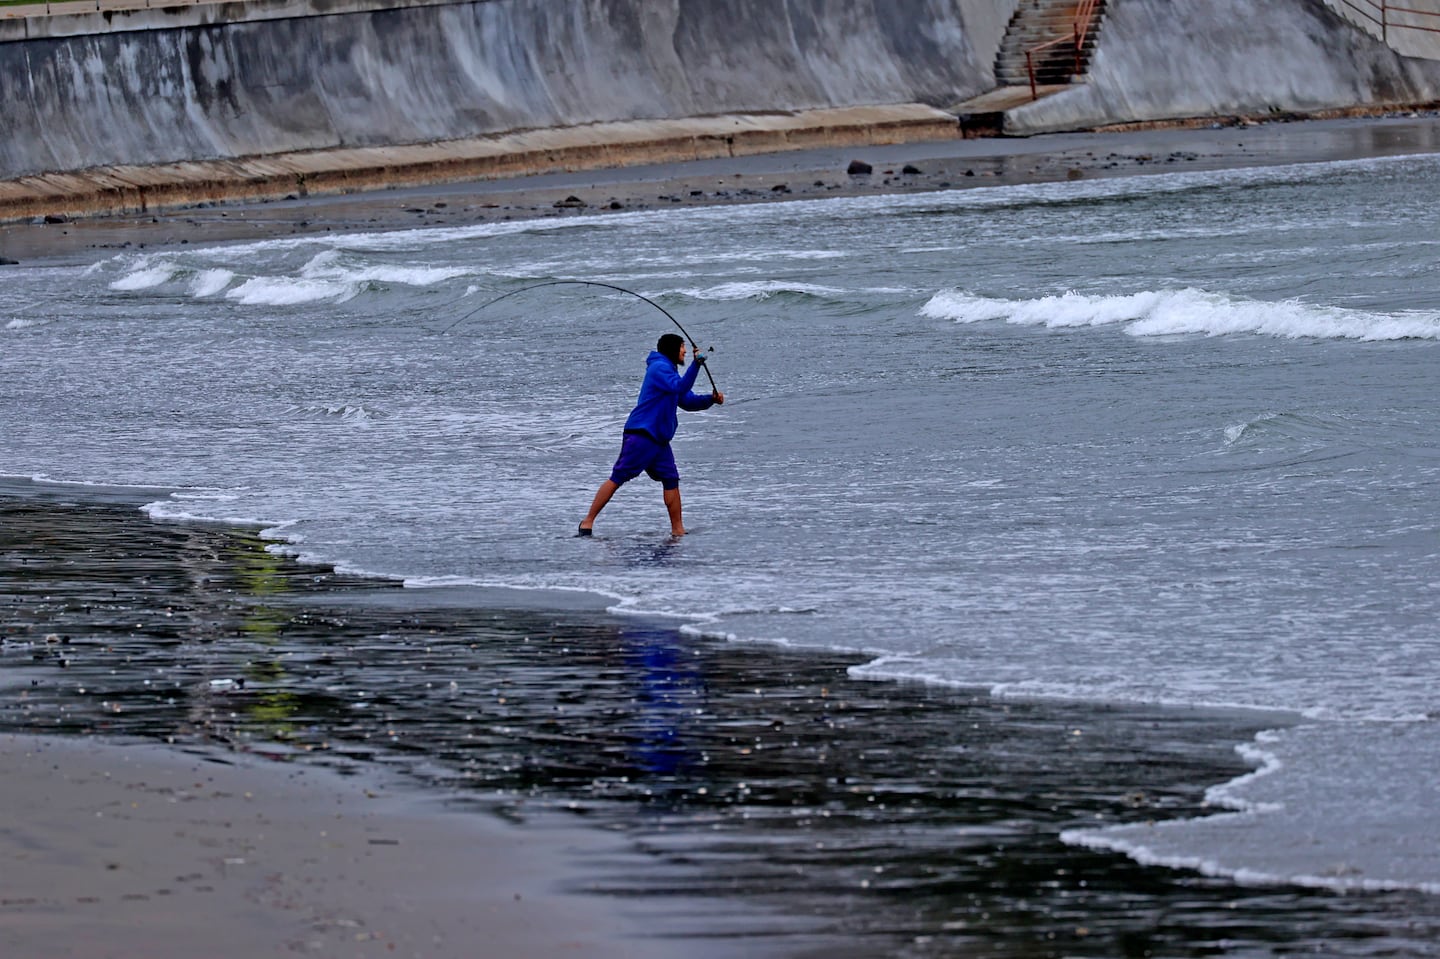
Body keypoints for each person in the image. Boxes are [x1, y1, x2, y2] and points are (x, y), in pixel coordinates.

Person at [579, 333, 725, 537]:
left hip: (659, 439)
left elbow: (687, 400)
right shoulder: (659, 368)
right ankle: (587, 522)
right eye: (682, 347)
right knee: (618, 477)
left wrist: (710, 400)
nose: (685, 351)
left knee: (671, 479)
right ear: (674, 349)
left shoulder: (669, 371)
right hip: (642, 434)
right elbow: (681, 386)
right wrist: (696, 365)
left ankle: (678, 530)